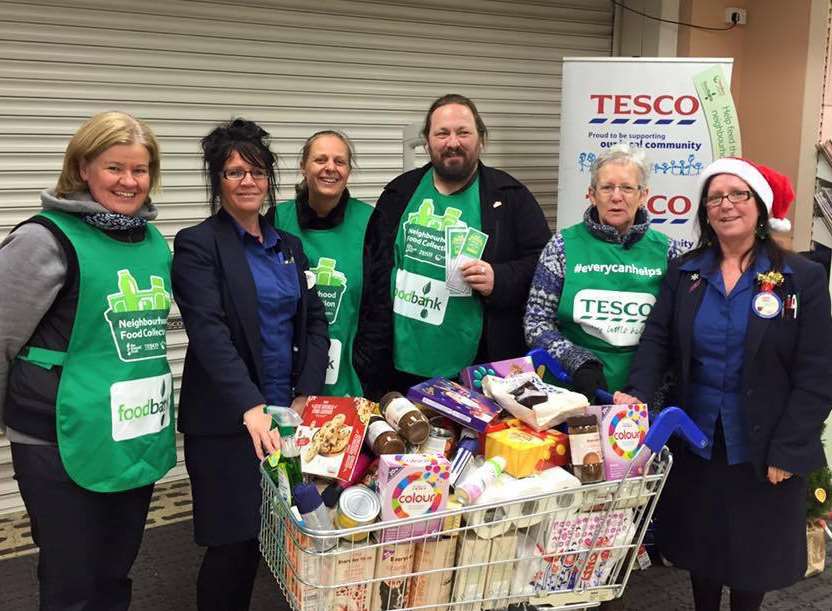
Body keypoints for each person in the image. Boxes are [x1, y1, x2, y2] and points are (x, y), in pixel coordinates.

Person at [614, 157, 832, 611]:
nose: (725, 205)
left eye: (738, 195)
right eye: (715, 197)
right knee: (702, 547)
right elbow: (656, 340)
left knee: (754, 555)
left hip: (765, 445)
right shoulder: (687, 272)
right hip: (697, 438)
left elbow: (817, 371)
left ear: (760, 207)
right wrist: (635, 397)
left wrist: (790, 448)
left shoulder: (802, 279)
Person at [0, 111, 174, 609]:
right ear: (82, 168)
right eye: (114, 168)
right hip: (58, 439)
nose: (129, 181)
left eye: (140, 170)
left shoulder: (153, 242)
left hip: (131, 434)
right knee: (71, 582)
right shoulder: (42, 240)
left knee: (115, 573)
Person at [172, 118, 328, 610]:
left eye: (257, 172)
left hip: (287, 416)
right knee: (233, 544)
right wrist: (250, 405)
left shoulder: (290, 247)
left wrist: (305, 392)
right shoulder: (198, 245)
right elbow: (209, 332)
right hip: (229, 422)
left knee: (284, 537)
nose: (247, 181)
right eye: (234, 172)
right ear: (217, 180)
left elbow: (316, 323)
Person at [358, 94, 551, 395]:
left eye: (463, 132)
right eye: (442, 133)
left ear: (481, 139)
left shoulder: (511, 196)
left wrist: (499, 279)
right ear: (427, 141)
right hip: (398, 365)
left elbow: (543, 267)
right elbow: (373, 273)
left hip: (478, 369)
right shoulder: (399, 194)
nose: (453, 142)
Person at [524, 144, 683, 400]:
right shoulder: (562, 246)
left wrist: (649, 388)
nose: (616, 196)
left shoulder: (668, 252)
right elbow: (536, 322)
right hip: (570, 389)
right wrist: (576, 360)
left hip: (641, 396)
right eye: (607, 187)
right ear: (591, 194)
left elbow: (676, 333)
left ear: (643, 195)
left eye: (627, 188)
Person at [269, 130, 372, 396]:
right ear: (304, 167)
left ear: (349, 170)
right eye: (320, 160)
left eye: (340, 161)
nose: (330, 168)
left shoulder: (370, 221)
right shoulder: (276, 220)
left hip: (351, 374)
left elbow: (381, 306)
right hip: (288, 371)